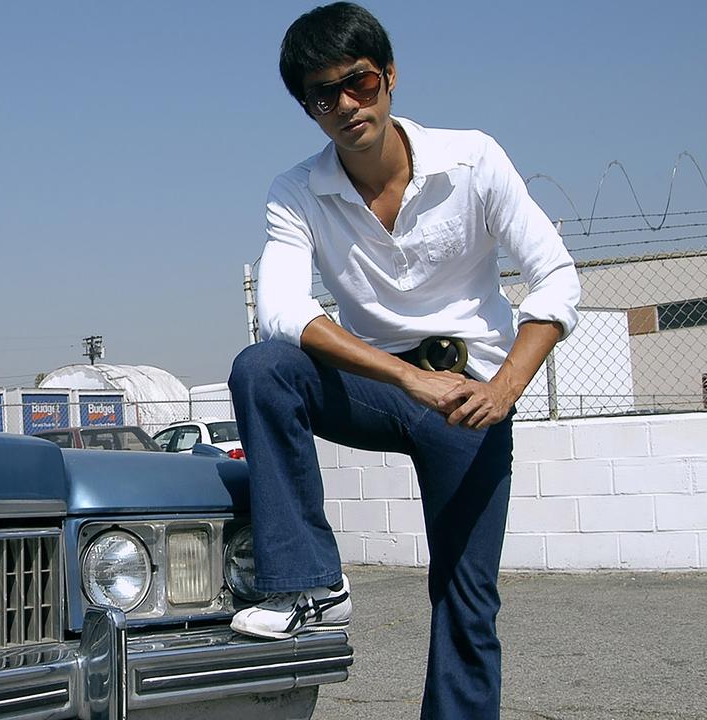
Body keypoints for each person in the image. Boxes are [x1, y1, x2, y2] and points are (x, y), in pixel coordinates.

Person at [228, 3, 580, 718]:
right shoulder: (296, 192)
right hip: (378, 387)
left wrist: (507, 387)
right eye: (322, 96)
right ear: (308, 109)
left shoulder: (472, 159)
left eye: (358, 82)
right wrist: (406, 377)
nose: (345, 105)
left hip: (470, 400)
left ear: (389, 76)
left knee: (466, 598)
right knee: (263, 368)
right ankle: (309, 584)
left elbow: (556, 278)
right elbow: (283, 311)